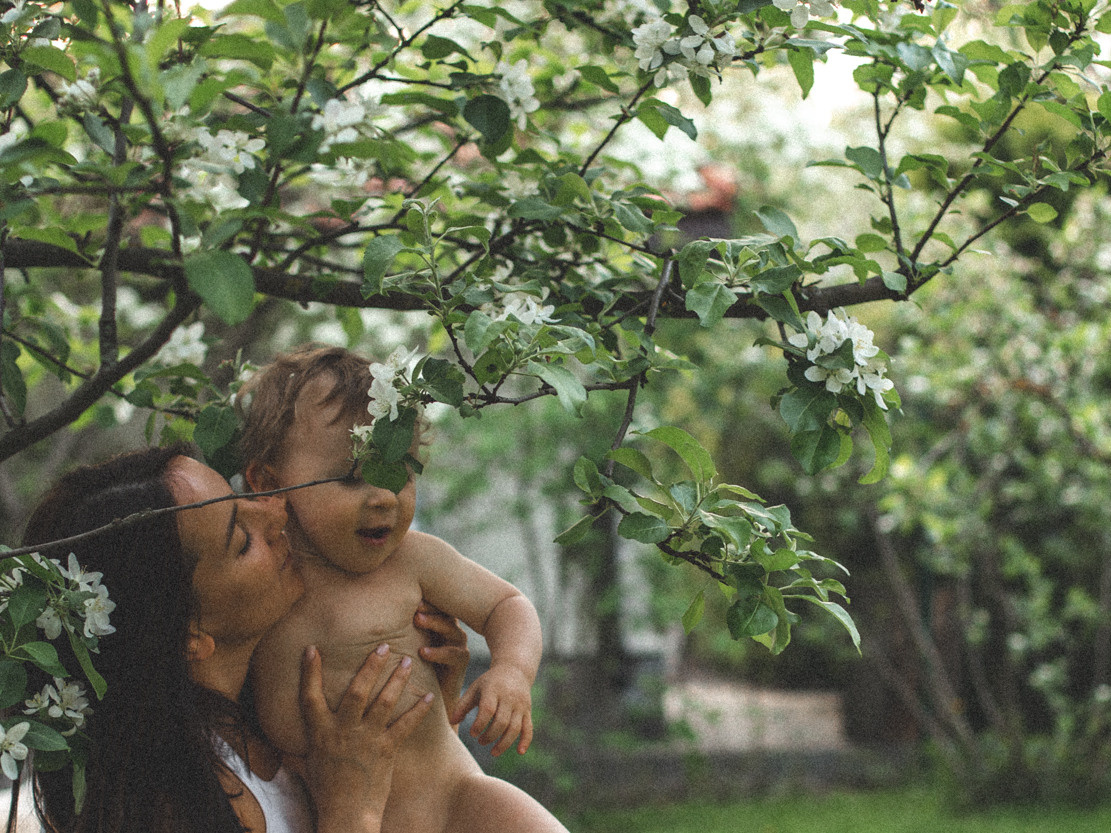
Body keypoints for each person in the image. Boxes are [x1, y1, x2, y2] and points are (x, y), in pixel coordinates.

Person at [20, 444, 471, 833]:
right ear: (189, 634)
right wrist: (351, 813)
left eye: (239, 495)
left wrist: (432, 709)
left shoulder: (277, 701)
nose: (276, 512)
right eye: (242, 541)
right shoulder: (178, 804)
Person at [239, 345, 569, 833]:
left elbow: (508, 604)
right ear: (269, 483)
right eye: (353, 476)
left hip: (456, 802)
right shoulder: (256, 586)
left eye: (402, 470)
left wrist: (512, 671)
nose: (383, 498)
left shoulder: (413, 561)